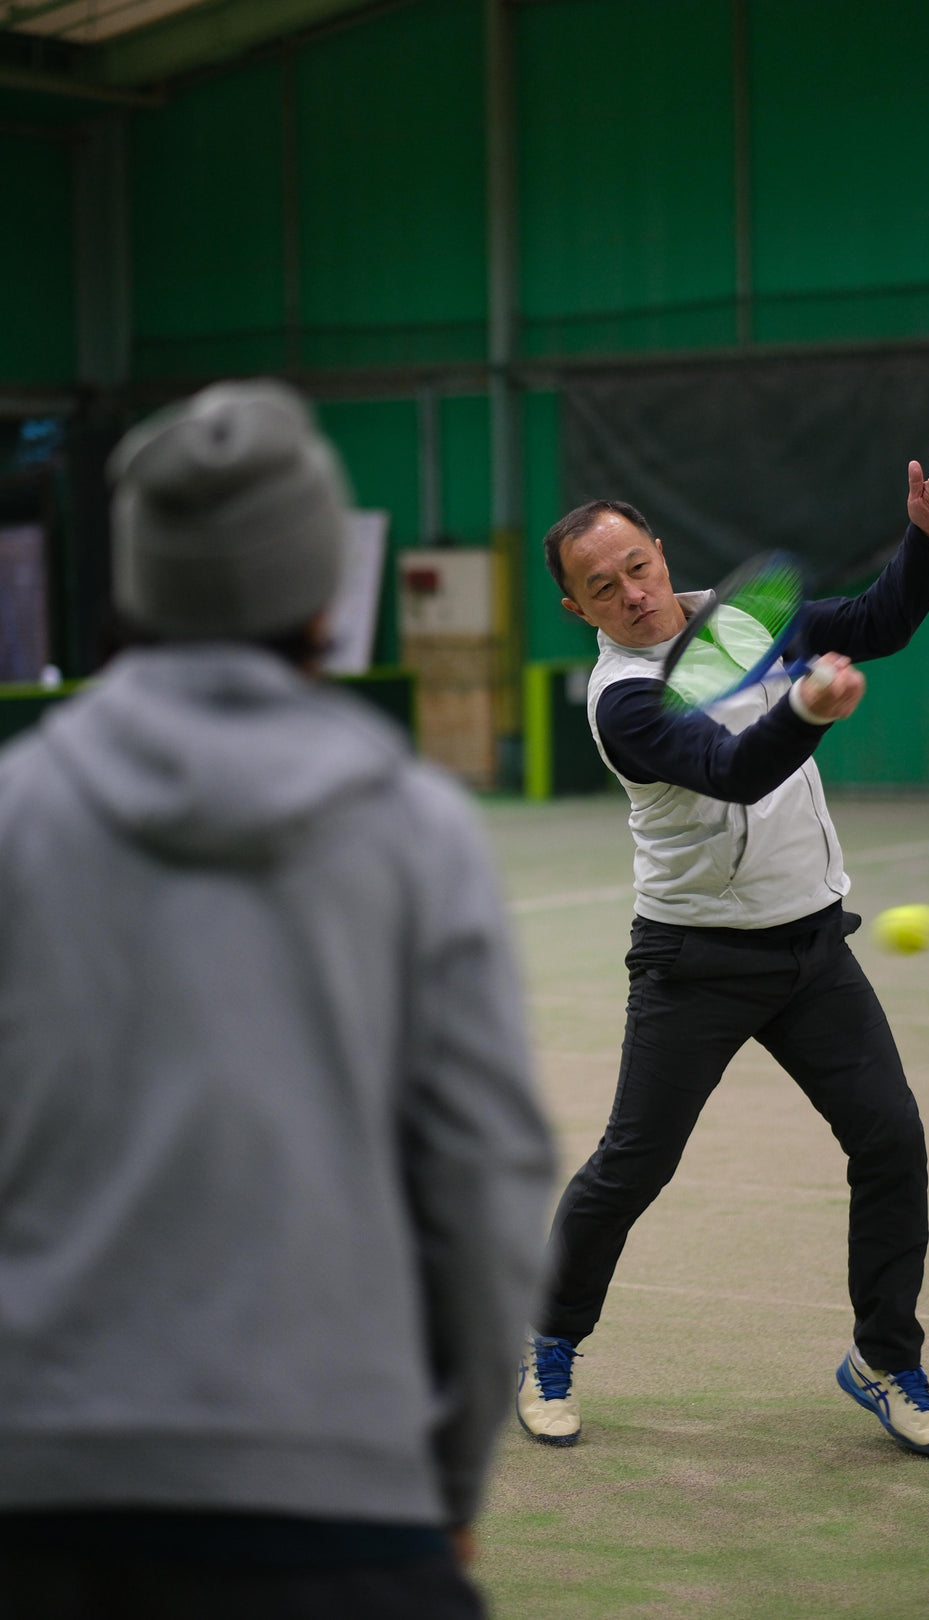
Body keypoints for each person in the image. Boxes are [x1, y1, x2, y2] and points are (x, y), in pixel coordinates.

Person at [0, 381, 553, 1619]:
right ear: (319, 595)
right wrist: (443, 1482)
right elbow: (489, 1184)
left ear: (137, 585)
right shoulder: (416, 832)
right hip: (339, 1510)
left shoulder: (16, 816)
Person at [516, 438, 929, 1460]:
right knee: (633, 1167)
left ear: (658, 550)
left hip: (813, 950)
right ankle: (549, 1341)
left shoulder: (743, 619)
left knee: (891, 1142)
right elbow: (732, 769)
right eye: (602, 589)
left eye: (636, 566)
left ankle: (884, 1360)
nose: (632, 594)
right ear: (577, 607)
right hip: (695, 962)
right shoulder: (622, 699)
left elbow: (877, 623)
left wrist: (927, 542)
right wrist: (807, 711)